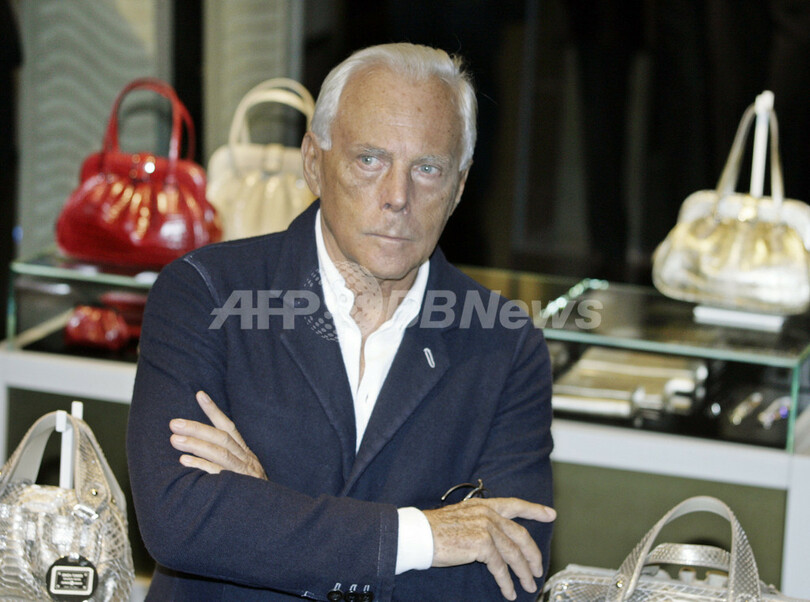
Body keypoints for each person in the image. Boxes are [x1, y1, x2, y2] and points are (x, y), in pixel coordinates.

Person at [127, 42, 555, 601]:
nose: (397, 197)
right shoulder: (206, 293)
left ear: (459, 187)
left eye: (427, 169)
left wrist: (263, 511)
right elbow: (180, 520)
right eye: (369, 160)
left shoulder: (505, 344)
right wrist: (425, 535)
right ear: (314, 163)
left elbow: (507, 580)